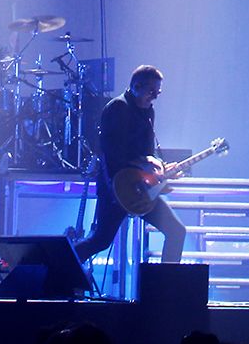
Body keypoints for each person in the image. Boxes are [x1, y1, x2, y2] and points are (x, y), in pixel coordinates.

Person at [73, 65, 186, 266]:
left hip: (141, 189)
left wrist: (160, 168)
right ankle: (59, 267)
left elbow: (147, 152)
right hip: (116, 188)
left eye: (158, 92)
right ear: (136, 86)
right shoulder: (118, 108)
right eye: (151, 91)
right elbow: (111, 152)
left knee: (176, 231)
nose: (155, 97)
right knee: (100, 241)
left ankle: (167, 282)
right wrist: (143, 164)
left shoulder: (148, 112)